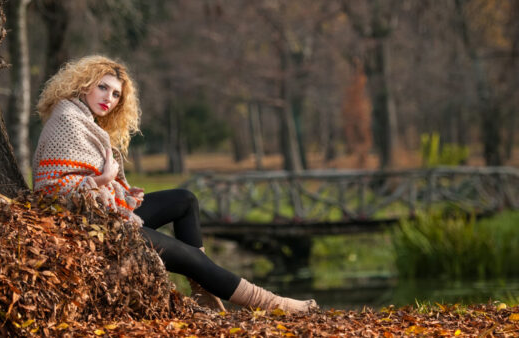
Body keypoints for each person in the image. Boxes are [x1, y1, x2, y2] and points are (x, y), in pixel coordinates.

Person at [32, 55, 317, 313]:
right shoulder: (68, 119)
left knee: (184, 200)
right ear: (84, 85)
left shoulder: (85, 120)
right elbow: (53, 190)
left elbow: (82, 179)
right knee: (193, 259)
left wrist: (120, 192)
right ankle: (276, 305)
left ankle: (205, 295)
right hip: (86, 229)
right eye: (103, 87)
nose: (110, 98)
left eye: (117, 94)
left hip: (104, 216)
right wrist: (106, 179)